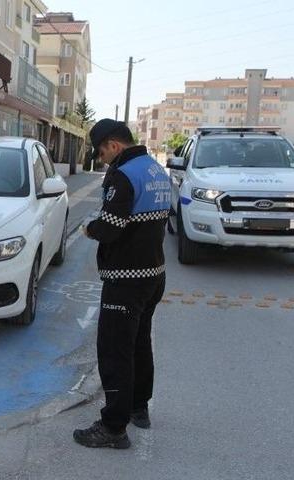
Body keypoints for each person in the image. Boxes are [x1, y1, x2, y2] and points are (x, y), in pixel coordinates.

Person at [73, 119, 171, 449]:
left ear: (114, 146)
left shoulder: (123, 174)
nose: (101, 158)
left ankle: (114, 427)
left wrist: (89, 229)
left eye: (101, 151)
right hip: (153, 275)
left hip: (126, 280)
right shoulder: (155, 170)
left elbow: (111, 227)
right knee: (140, 343)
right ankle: (138, 408)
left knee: (115, 351)